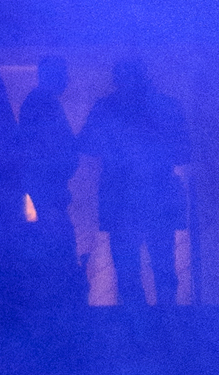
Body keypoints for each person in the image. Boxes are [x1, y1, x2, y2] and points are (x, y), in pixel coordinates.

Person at [77, 57, 191, 308]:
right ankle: (167, 328)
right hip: (154, 198)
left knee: (130, 274)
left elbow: (86, 144)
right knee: (162, 269)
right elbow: (185, 152)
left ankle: (136, 332)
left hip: (123, 200)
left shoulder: (107, 107)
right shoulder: (165, 106)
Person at [15, 55, 83, 295]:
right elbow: (50, 146)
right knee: (56, 241)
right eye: (62, 74)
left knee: (56, 238)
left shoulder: (41, 102)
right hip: (47, 188)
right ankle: (58, 295)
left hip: (47, 187)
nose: (66, 79)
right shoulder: (42, 103)